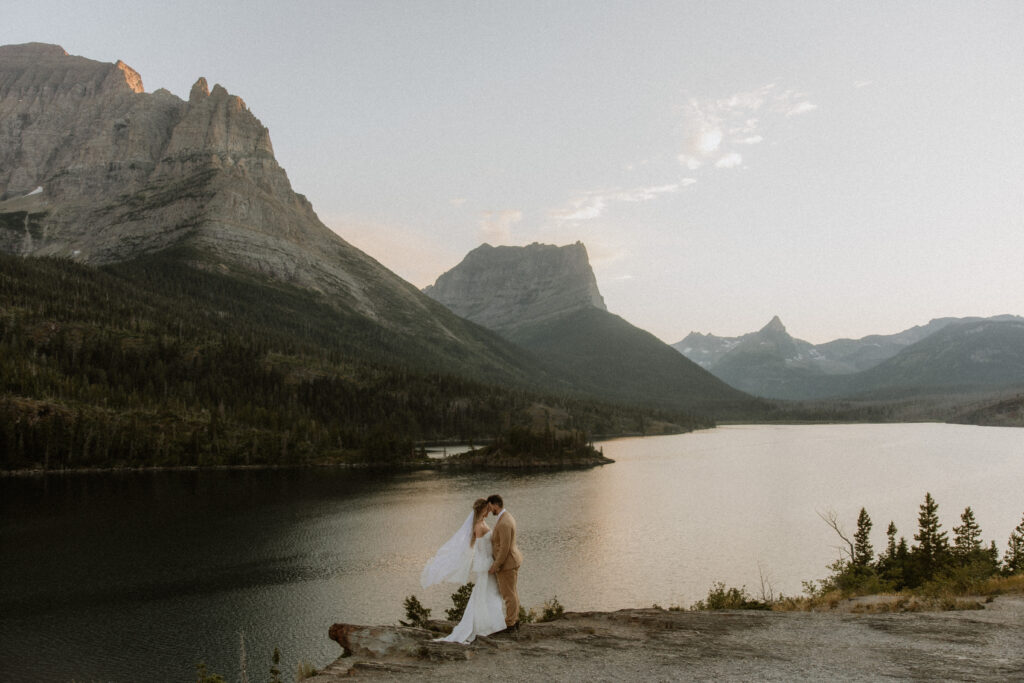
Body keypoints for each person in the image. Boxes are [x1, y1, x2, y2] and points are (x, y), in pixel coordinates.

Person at [420, 498, 506, 643]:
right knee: (488, 593)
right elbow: (480, 549)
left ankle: (493, 623)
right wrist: (488, 563)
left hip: (489, 562)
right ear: (482, 509)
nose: (489, 511)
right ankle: (487, 625)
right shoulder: (479, 526)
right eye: (487, 508)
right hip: (486, 564)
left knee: (489, 592)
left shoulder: (481, 524)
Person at [487, 493, 523, 633]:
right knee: (512, 592)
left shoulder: (504, 522)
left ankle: (510, 624)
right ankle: (515, 620)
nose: (490, 511)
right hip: (511, 561)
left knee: (508, 595)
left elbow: (504, 548)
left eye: (490, 507)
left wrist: (495, 566)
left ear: (496, 504)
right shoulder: (505, 517)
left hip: (507, 563)